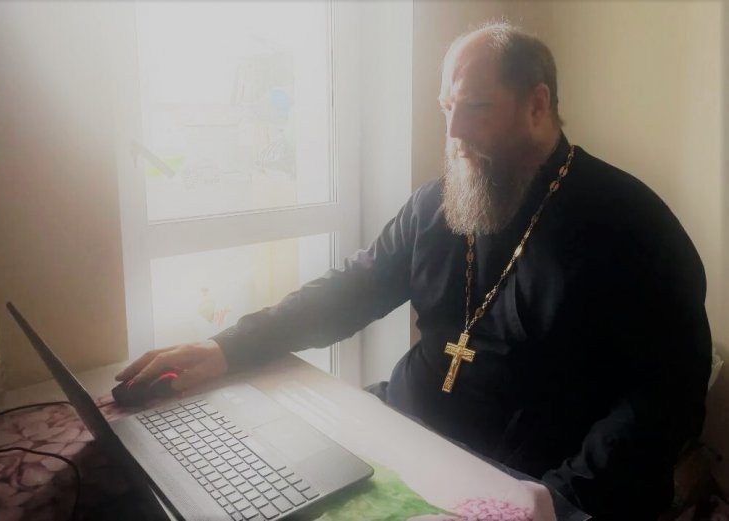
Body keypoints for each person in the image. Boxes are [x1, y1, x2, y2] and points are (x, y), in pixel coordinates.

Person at [116, 22, 712, 520]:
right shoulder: (439, 203)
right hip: (400, 432)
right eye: (447, 107)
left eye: (475, 108)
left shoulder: (632, 224)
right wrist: (229, 347)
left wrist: (558, 500)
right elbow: (355, 287)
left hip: (526, 481)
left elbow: (667, 396)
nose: (452, 133)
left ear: (537, 105)